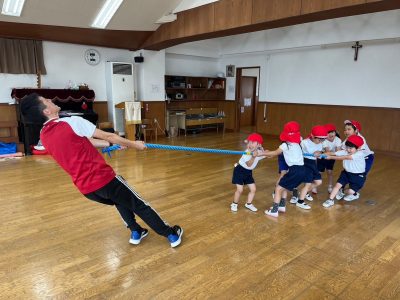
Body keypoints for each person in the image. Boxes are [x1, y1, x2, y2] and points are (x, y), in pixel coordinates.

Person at [20, 93, 183, 248]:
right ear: (46, 111)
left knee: (120, 200)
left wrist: (112, 145)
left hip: (87, 189)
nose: (49, 99)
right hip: (104, 179)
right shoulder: (71, 122)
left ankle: (136, 232)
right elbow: (108, 136)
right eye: (45, 100)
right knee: (139, 205)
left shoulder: (44, 134)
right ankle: (171, 234)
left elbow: (84, 141)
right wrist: (135, 144)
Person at [257, 121, 310, 217]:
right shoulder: (298, 143)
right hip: (302, 170)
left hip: (295, 170)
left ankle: (274, 211)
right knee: (283, 187)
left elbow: (275, 153)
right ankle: (282, 206)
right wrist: (266, 153)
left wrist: (261, 153)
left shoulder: (285, 145)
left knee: (278, 189)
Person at [322, 135, 366, 208]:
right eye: (347, 147)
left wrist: (331, 157)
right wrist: (321, 154)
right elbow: (333, 153)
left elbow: (346, 157)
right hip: (346, 173)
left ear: (358, 148)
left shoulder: (359, 154)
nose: (348, 150)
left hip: (358, 176)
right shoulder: (346, 151)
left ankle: (344, 192)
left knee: (350, 191)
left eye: (351, 148)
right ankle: (330, 200)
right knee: (337, 186)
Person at [231, 133, 265, 212]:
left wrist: (263, 151)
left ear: (258, 144)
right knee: (240, 190)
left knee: (253, 189)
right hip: (239, 170)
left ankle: (248, 204)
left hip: (248, 172)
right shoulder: (247, 152)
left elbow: (267, 155)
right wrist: (253, 156)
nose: (250, 144)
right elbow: (249, 164)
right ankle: (234, 203)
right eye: (249, 142)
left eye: (253, 142)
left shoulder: (258, 151)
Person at [341, 120, 374, 201]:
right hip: (355, 159)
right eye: (345, 129)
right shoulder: (348, 139)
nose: (346, 131)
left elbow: (356, 153)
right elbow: (341, 148)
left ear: (356, 131)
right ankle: (341, 189)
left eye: (349, 129)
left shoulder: (360, 139)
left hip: (366, 159)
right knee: (348, 172)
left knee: (358, 176)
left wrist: (333, 156)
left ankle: (354, 193)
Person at [294, 125, 327, 203]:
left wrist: (321, 152)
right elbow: (309, 152)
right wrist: (315, 153)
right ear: (312, 136)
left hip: (313, 163)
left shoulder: (320, 142)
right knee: (308, 183)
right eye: (319, 139)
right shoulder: (304, 142)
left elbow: (320, 151)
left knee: (318, 182)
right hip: (305, 163)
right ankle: (300, 201)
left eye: (323, 140)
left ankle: (304, 193)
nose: (321, 141)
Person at [317, 124, 341, 193]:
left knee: (330, 172)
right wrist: (336, 154)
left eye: (332, 132)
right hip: (322, 157)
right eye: (328, 132)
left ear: (335, 132)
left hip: (331, 157)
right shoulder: (324, 141)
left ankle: (330, 186)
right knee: (319, 172)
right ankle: (314, 186)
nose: (331, 134)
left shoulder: (338, 139)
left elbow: (338, 151)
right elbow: (327, 151)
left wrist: (338, 154)